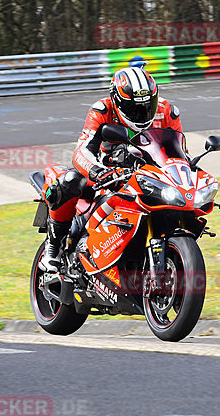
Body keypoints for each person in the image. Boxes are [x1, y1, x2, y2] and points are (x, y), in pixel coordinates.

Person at [38, 65, 183, 273]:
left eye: (147, 106)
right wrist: (98, 171)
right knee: (70, 180)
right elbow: (81, 152)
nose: (142, 113)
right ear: (117, 101)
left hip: (149, 176)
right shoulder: (102, 110)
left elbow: (178, 153)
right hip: (106, 174)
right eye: (134, 108)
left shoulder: (167, 111)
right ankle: (53, 247)